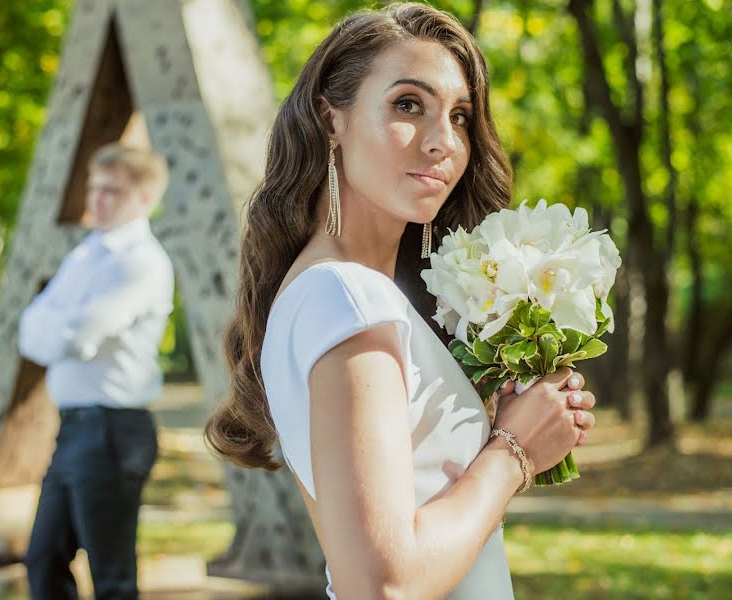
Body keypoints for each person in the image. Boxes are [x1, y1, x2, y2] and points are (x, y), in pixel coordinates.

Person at [205, 4, 598, 599]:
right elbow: (384, 585)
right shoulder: (348, 297)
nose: (444, 141)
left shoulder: (333, 293)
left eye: (461, 117)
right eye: (408, 105)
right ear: (330, 120)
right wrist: (514, 452)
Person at [18, 143, 174, 600]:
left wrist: (56, 326)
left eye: (112, 191)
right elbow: (30, 329)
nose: (97, 199)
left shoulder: (141, 261)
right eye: (94, 187)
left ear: (144, 199)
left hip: (112, 431)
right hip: (73, 431)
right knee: (43, 558)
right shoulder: (87, 254)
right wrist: (56, 328)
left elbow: (71, 337)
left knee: (112, 577)